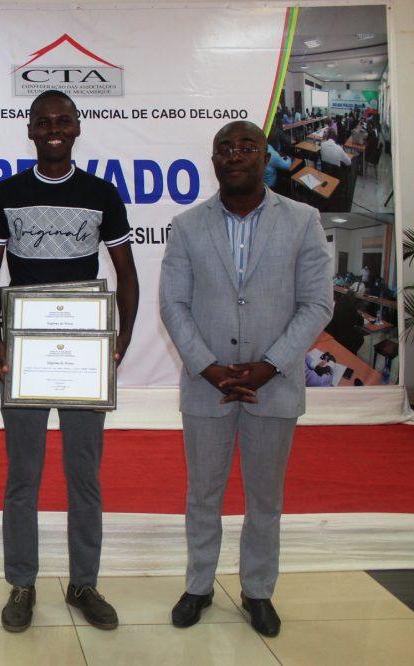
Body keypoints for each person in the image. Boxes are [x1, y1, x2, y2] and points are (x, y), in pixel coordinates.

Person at [159, 120, 332, 638]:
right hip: (205, 385)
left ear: (265, 156)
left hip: (273, 385)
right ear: (214, 159)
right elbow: (173, 305)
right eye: (224, 148)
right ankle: (198, 586)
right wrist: (208, 367)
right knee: (202, 495)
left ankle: (258, 591)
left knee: (265, 499)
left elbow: (317, 304)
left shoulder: (302, 220)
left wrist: (270, 364)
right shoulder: (187, 225)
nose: (234, 155)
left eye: (246, 147)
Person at [0, 90, 139, 633]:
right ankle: (22, 584)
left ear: (76, 128)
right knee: (22, 478)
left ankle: (83, 583)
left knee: (84, 478)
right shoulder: (6, 194)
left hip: (83, 358)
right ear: (29, 130)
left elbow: (127, 275)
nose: (53, 130)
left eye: (62, 121)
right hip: (24, 357)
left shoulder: (101, 194)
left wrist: (120, 340)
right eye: (43, 122)